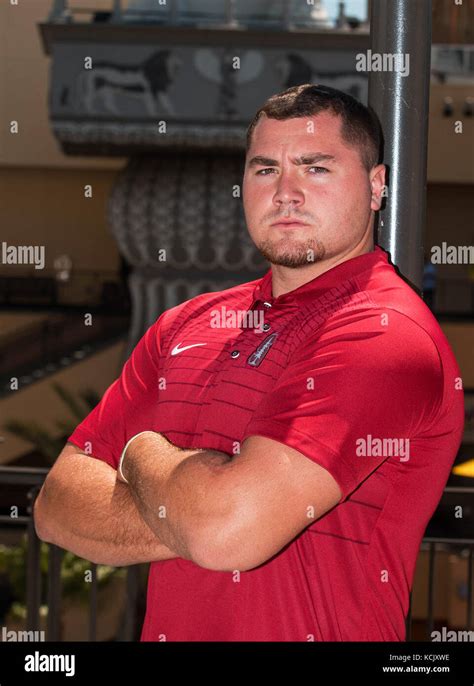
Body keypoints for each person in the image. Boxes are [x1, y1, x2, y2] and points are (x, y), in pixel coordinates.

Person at [34, 84, 464, 641]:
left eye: (316, 168)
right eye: (265, 170)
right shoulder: (183, 326)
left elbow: (225, 532)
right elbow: (56, 505)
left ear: (377, 186)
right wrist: (199, 509)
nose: (286, 192)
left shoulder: (387, 335)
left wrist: (143, 452)